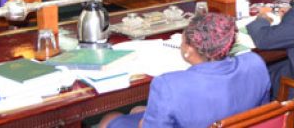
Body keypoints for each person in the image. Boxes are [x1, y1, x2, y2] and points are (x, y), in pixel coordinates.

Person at [100, 13, 270, 128]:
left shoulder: (168, 85)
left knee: (111, 118)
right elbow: (262, 114)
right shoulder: (254, 63)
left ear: (188, 51)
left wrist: (145, 121)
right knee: (138, 109)